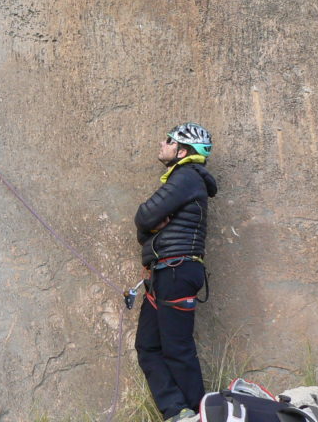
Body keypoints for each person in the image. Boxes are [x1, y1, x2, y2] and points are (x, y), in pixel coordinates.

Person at [134, 123, 218, 422]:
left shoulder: (186, 177)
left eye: (168, 140)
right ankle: (178, 411)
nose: (162, 143)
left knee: (177, 348)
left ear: (182, 151)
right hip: (165, 271)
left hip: (176, 270)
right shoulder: (183, 180)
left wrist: (149, 225)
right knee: (148, 345)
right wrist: (149, 229)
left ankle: (201, 412)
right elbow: (147, 228)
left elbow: (144, 215)